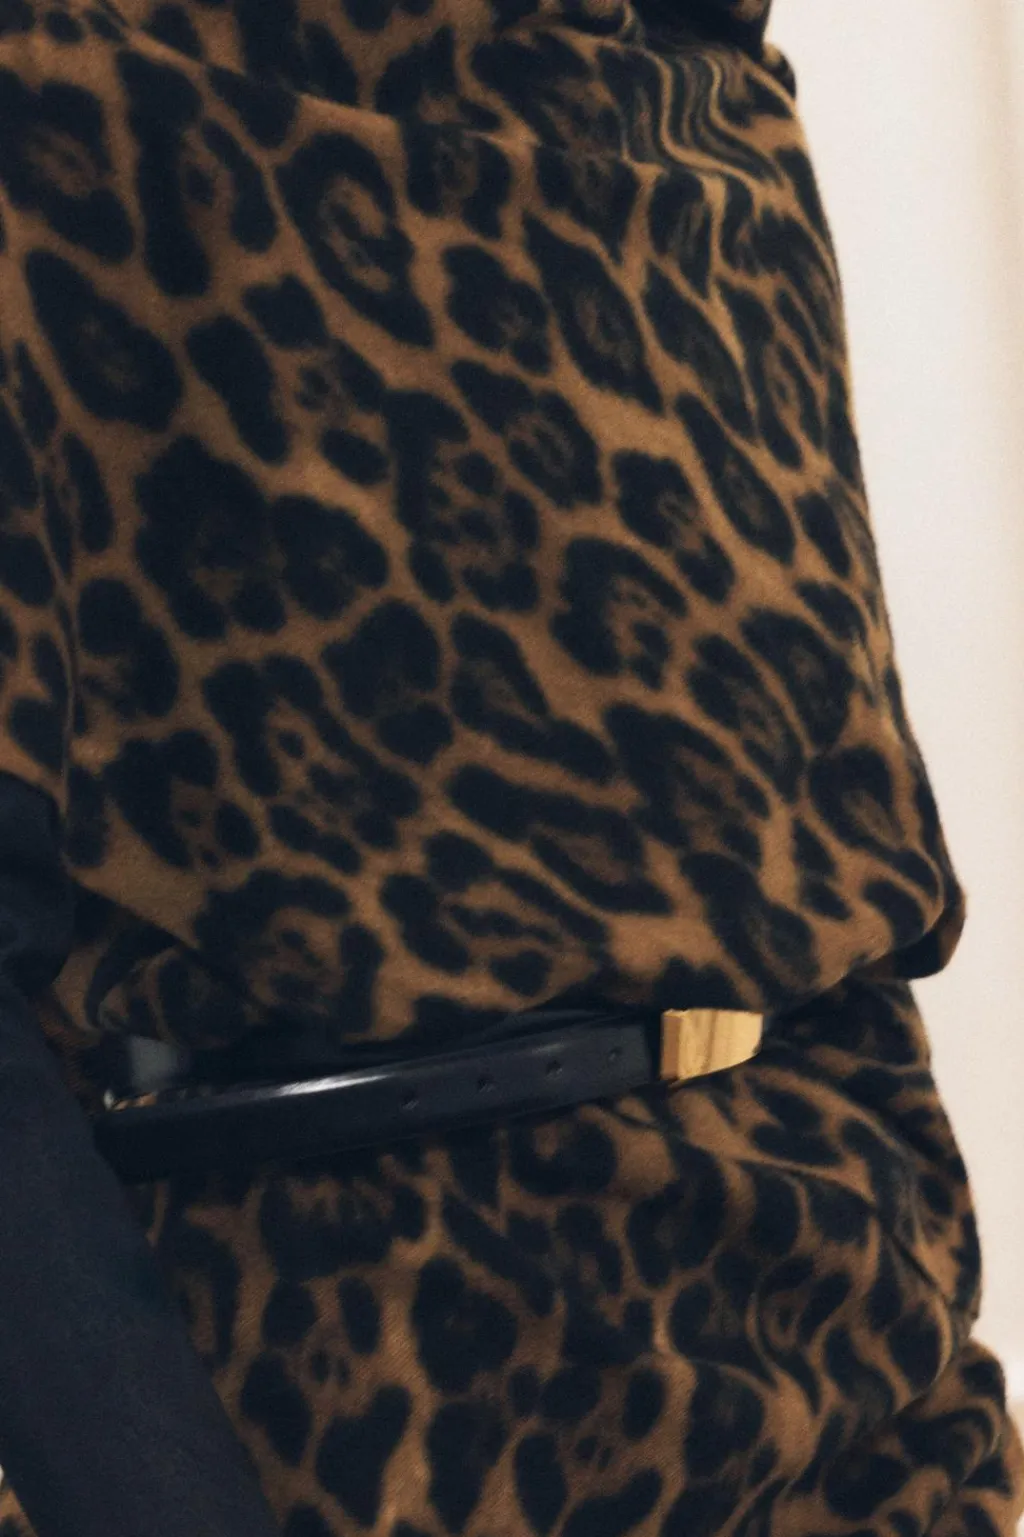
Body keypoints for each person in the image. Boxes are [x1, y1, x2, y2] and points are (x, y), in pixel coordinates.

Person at [0, 0, 1020, 1531]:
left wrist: (948, 1394)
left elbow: (858, 875)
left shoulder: (704, 94)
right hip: (357, 1430)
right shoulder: (66, 83)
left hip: (851, 1403)